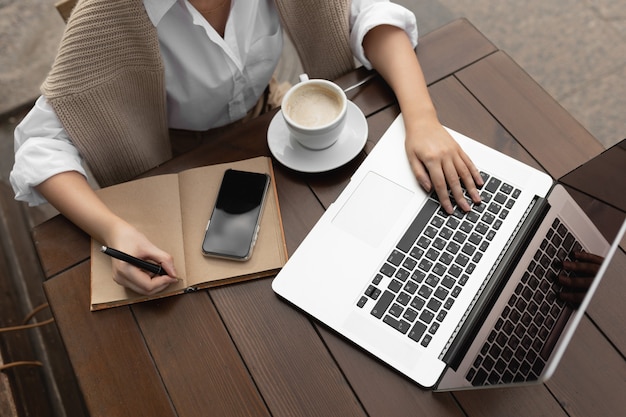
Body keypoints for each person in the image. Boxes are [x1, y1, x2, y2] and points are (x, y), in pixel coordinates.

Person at [11, 0, 483, 295]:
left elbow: (364, 12)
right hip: (175, 164)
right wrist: (112, 230)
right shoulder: (109, 15)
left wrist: (421, 119)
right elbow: (38, 144)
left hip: (271, 131)